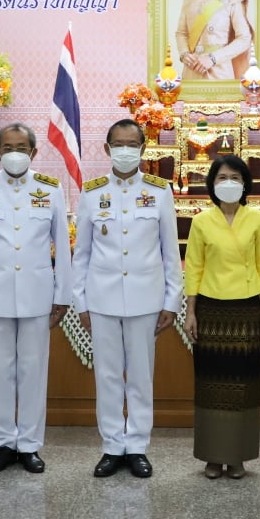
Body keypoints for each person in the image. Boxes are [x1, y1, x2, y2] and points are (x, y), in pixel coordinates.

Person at [71, 120, 183, 479]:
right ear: (106, 149)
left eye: (131, 144)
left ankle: (136, 445)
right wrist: (81, 303)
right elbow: (81, 254)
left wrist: (171, 301)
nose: (124, 150)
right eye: (118, 144)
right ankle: (111, 446)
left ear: (142, 148)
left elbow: (170, 252)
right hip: (101, 299)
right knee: (106, 376)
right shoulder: (91, 193)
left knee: (139, 376)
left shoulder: (160, 191)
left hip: (145, 299)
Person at [0, 123, 71, 474]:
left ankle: (30, 445)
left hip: (38, 294)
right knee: (1, 370)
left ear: (34, 153)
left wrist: (63, 295)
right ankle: (4, 443)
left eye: (21, 147)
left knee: (33, 370)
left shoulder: (50, 189)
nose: (14, 153)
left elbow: (62, 248)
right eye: (7, 147)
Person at [182, 153, 260, 479]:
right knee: (211, 384)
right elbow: (193, 267)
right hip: (210, 309)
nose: (229, 183)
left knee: (243, 385)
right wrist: (190, 311)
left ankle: (237, 456)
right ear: (212, 184)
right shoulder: (201, 221)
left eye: (235, 178)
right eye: (222, 178)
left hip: (247, 309)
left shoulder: (257, 219)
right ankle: (212, 455)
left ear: (245, 183)